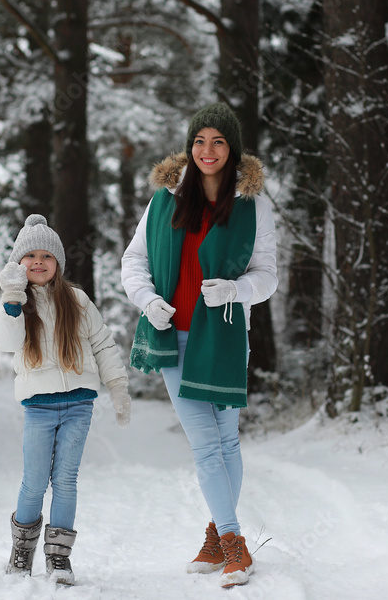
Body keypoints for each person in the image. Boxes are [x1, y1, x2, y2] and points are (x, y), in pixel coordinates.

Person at [121, 102, 278, 588]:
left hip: (228, 335)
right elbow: (134, 261)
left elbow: (268, 275)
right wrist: (147, 302)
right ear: (190, 147)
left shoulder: (255, 203)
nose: (207, 151)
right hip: (175, 335)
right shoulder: (166, 197)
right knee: (207, 444)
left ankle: (215, 535)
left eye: (218, 142)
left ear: (232, 150)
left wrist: (237, 290)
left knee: (227, 440)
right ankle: (235, 544)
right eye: (199, 141)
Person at [0, 214, 132, 585]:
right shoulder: (16, 303)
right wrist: (10, 301)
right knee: (35, 482)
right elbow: (6, 344)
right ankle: (22, 550)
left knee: (66, 481)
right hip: (38, 407)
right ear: (18, 264)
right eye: (30, 256)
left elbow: (102, 344)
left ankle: (58, 558)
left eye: (47, 256)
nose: (38, 262)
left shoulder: (78, 300)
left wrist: (117, 385)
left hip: (78, 404)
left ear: (58, 263)